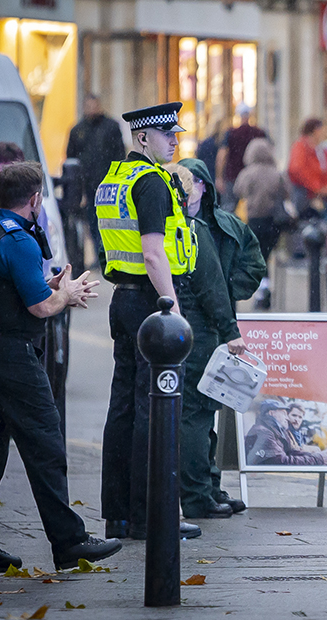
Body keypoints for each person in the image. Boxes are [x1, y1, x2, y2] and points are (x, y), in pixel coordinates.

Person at [0, 161, 121, 573]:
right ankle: (70, 543)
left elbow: (6, 291)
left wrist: (56, 289)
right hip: (13, 358)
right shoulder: (20, 242)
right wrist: (64, 294)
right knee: (46, 445)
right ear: (34, 199)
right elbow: (41, 307)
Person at [96, 102, 201, 542]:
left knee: (123, 406)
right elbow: (155, 252)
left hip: (123, 299)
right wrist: (172, 308)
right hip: (149, 302)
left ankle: (118, 514)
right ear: (142, 138)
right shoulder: (152, 183)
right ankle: (149, 514)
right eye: (166, 135)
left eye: (175, 134)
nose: (175, 140)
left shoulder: (114, 178)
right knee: (152, 408)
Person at [172, 156, 264, 513]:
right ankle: (197, 496)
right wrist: (228, 323)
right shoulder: (189, 229)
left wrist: (230, 290)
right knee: (195, 412)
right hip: (199, 326)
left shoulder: (223, 226)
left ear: (205, 187)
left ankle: (207, 487)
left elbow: (251, 264)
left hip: (196, 324)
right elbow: (208, 286)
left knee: (205, 409)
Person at [233, 137, 293, 308]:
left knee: (258, 258)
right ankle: (266, 291)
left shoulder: (247, 173)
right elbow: (286, 193)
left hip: (254, 221)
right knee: (265, 256)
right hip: (274, 222)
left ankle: (262, 292)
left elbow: (238, 191)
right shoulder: (277, 173)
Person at [66, 94, 126, 257]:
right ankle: (98, 252)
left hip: (109, 183)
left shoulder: (111, 127)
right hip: (89, 185)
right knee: (93, 220)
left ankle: (110, 251)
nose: (91, 109)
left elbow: (119, 153)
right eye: (88, 106)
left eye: (94, 105)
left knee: (110, 219)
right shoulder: (78, 130)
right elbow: (71, 158)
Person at [244, 399, 327, 466]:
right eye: (284, 413)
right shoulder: (264, 433)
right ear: (272, 413)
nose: (287, 418)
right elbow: (282, 461)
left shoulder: (275, 432)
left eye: (300, 417)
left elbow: (291, 452)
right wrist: (316, 459)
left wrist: (316, 456)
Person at [216, 104, 266, 210]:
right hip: (255, 176)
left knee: (228, 209)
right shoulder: (258, 133)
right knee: (256, 209)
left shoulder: (231, 133)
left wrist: (219, 177)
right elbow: (268, 151)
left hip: (233, 175)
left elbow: (222, 156)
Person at [288, 118, 327, 217]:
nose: (324, 132)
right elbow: (297, 170)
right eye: (322, 129)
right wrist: (316, 188)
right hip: (306, 197)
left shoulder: (322, 150)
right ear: (315, 131)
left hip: (322, 197)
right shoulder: (300, 147)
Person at [196, 115, 226, 183]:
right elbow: (220, 160)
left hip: (205, 171)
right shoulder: (220, 143)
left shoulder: (207, 142)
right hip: (213, 173)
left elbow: (199, 155)